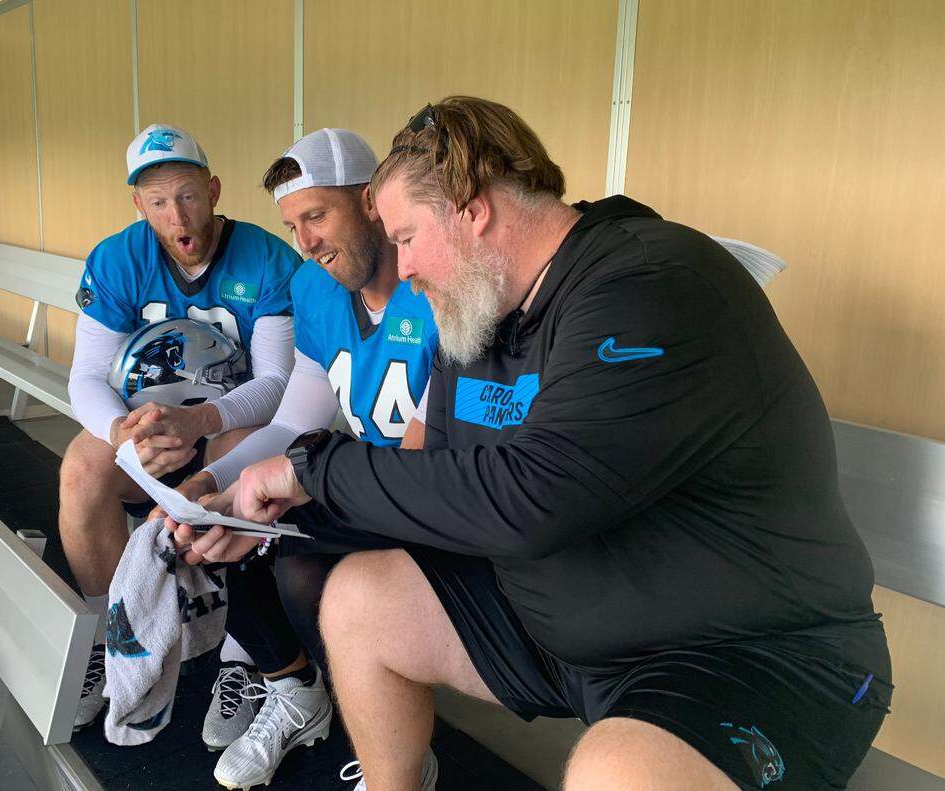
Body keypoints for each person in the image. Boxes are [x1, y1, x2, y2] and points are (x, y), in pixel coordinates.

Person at [184, 97, 892, 791]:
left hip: (741, 651)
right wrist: (271, 516)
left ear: (472, 208)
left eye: (405, 238)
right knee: (358, 602)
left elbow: (532, 496)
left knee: (615, 774)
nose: (404, 268)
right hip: (562, 620)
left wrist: (313, 467)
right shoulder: (481, 306)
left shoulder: (650, 281)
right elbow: (438, 477)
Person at [156, 128, 439, 790]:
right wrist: (210, 480)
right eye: (292, 224)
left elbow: (424, 456)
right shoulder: (314, 288)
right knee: (225, 527)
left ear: (371, 202)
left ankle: (404, 748)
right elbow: (293, 419)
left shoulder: (432, 282)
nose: (304, 242)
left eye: (316, 216)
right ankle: (297, 692)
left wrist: (298, 489)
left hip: (431, 488)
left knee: (299, 561)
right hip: (368, 480)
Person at [59, 123, 301, 728]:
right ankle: (122, 633)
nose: (177, 214)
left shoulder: (268, 257)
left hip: (225, 421)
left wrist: (199, 422)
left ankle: (245, 655)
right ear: (139, 204)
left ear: (214, 190)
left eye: (189, 195)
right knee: (83, 470)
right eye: (160, 201)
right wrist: (122, 435)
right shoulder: (117, 258)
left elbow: (275, 385)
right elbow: (86, 376)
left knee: (248, 453)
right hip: (150, 425)